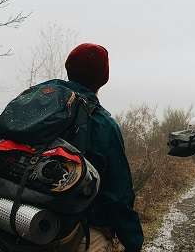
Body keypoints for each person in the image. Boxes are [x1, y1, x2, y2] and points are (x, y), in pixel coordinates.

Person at [61, 43, 144, 252]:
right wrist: (133, 241)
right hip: (80, 232)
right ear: (103, 78)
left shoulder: (43, 110)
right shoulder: (101, 123)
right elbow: (118, 194)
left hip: (23, 226)